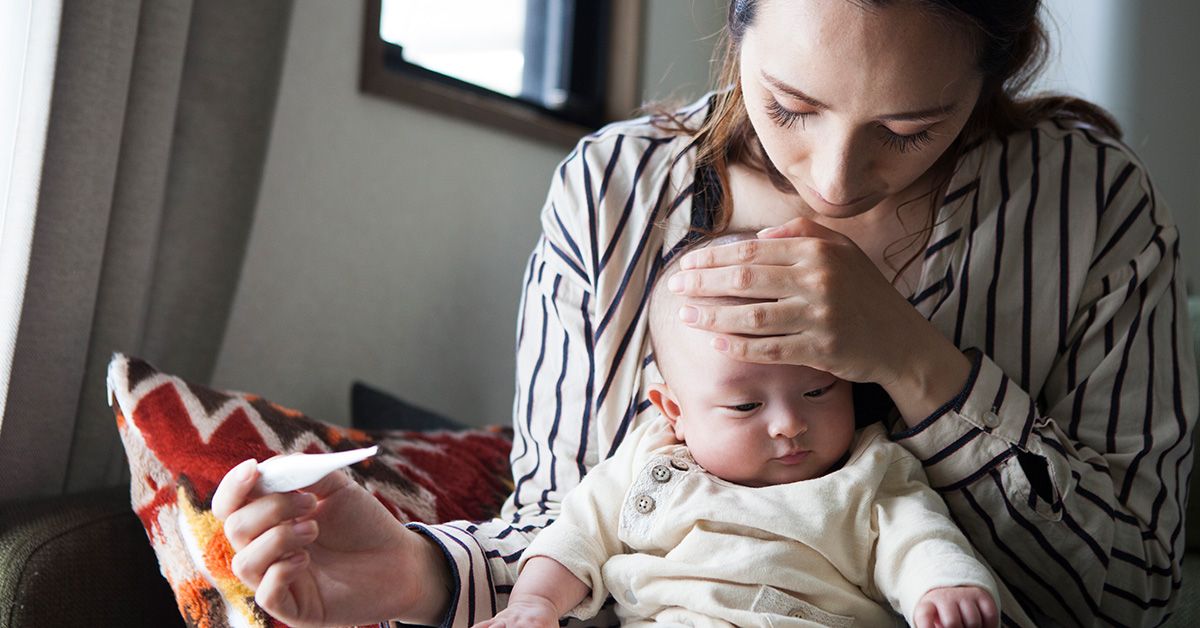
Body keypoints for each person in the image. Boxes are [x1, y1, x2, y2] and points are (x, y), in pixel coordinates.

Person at [211, 1, 1197, 626]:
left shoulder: (1093, 211)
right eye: (792, 105)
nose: (834, 177)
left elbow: (1135, 594)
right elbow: (566, 531)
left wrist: (911, 361)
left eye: (910, 131)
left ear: (994, 73)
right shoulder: (611, 197)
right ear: (738, 25)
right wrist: (418, 576)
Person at [472, 232, 1006, 628]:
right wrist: (534, 604)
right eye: (745, 404)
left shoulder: (870, 472)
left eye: (818, 391)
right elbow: (575, 534)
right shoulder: (649, 462)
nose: (790, 423)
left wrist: (944, 586)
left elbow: (918, 537)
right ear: (673, 411)